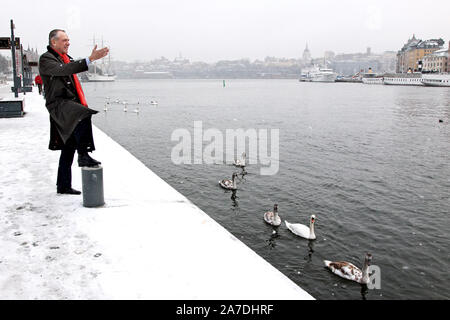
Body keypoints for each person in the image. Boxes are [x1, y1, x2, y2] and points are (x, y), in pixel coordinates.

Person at [39, 29, 109, 195]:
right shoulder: (46, 59)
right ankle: (84, 154)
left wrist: (88, 60)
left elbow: (70, 68)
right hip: (59, 104)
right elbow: (64, 70)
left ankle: (63, 186)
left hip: (69, 103)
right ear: (53, 42)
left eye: (68, 40)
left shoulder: (66, 58)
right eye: (64, 40)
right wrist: (90, 59)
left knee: (68, 146)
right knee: (83, 113)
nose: (68, 43)